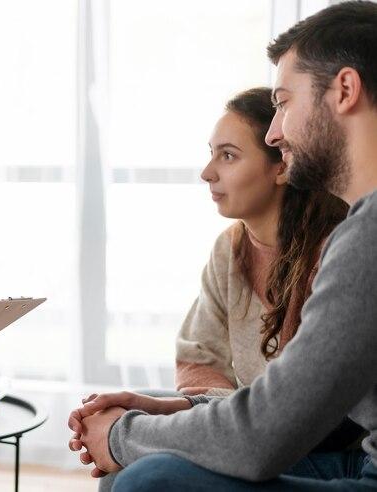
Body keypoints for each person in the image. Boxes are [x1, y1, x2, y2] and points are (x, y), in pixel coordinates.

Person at [68, 1, 377, 489]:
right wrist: (170, 411)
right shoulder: (345, 232)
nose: (278, 131)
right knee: (137, 467)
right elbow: (219, 370)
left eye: (284, 102)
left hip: (349, 459)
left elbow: (270, 431)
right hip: (313, 441)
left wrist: (123, 435)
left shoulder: (362, 240)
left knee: (149, 479)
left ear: (344, 90)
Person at [176, 87, 347, 398]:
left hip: (307, 436)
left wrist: (219, 417)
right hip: (242, 422)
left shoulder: (333, 252)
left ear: (281, 166)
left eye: (228, 156)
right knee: (114, 411)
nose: (207, 173)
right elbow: (198, 356)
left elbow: (307, 399)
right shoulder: (229, 249)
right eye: (211, 154)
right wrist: (217, 416)